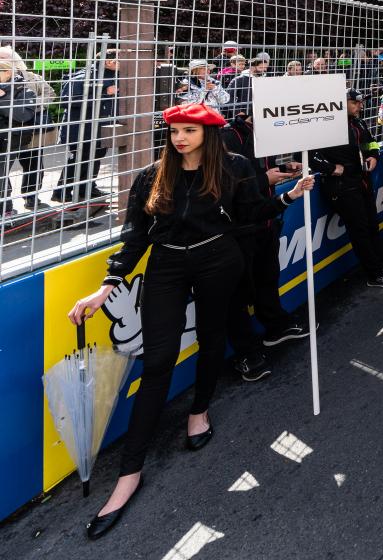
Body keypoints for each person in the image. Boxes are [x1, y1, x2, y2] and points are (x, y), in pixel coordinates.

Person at [67, 103, 315, 540]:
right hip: (166, 266)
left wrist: (289, 196)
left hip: (219, 259)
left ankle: (199, 411)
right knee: (157, 362)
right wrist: (107, 286)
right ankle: (129, 474)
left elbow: (252, 213)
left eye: (189, 131)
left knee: (210, 337)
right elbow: (135, 235)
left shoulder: (234, 166)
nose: (180, 138)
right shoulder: (152, 175)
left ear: (208, 133)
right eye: (175, 131)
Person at [221, 110, 309, 382]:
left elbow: (262, 171)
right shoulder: (228, 136)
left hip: (266, 221)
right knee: (237, 295)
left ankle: (276, 326)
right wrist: (265, 180)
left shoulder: (266, 133)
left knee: (268, 277)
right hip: (238, 230)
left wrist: (285, 169)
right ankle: (246, 353)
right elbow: (226, 184)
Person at [311, 89, 383, 288]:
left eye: (360, 102)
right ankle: (375, 274)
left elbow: (371, 143)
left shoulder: (359, 122)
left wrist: (374, 156)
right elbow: (306, 156)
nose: (360, 106)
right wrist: (331, 168)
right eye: (355, 103)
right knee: (360, 230)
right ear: (340, 103)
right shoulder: (325, 124)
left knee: (372, 225)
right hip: (341, 186)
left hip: (362, 181)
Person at [54, 50, 120, 203]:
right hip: (80, 129)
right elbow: (67, 100)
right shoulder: (84, 77)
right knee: (79, 159)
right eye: (119, 60)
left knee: (96, 157)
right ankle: (61, 191)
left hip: (102, 127)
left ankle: (87, 188)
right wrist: (105, 93)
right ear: (108, 62)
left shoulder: (116, 76)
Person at [0, 59, 37, 218]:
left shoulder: (24, 91)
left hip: (10, 141)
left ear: (8, 72)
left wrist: (3, 99)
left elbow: (23, 116)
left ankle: (5, 210)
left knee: (1, 174)